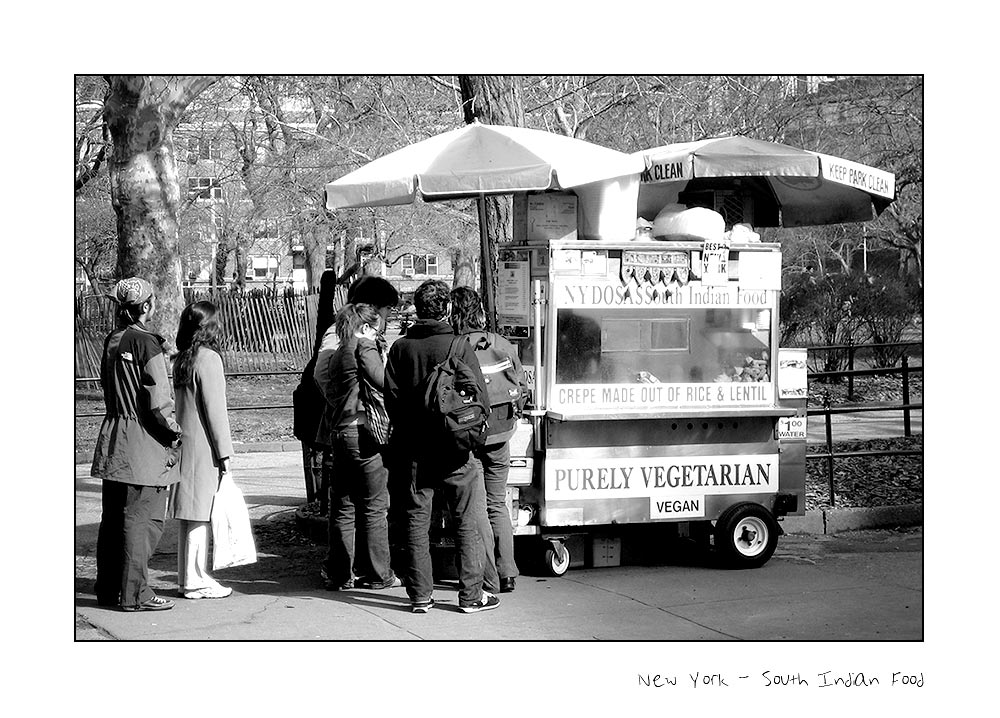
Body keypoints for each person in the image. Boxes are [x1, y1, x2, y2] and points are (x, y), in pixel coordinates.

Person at [384, 279, 499, 614]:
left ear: (417, 309)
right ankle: (470, 596)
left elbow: (391, 397)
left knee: (416, 522)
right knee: (465, 521)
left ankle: (420, 595)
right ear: (446, 308)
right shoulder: (458, 345)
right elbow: (479, 395)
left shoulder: (400, 348)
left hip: (413, 450)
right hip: (455, 448)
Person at [92, 277, 182, 612]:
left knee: (114, 519)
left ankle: (110, 589)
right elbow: (158, 402)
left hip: (115, 438)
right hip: (144, 443)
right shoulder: (147, 344)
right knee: (142, 522)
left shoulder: (112, 340)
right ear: (146, 306)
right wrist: (175, 433)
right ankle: (136, 595)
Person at [319, 303, 400, 591]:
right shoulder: (362, 348)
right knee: (375, 507)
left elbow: (325, 383)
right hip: (362, 434)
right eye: (377, 329)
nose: (379, 335)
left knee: (343, 506)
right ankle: (380, 574)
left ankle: (341, 574)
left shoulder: (338, 351)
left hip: (340, 433)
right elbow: (383, 382)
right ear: (365, 327)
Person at [451, 286, 527, 593]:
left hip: (470, 436)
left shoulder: (455, 347)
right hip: (501, 433)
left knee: (477, 507)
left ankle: (487, 575)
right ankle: (508, 571)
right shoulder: (501, 343)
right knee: (498, 503)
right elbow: (520, 385)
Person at [169, 301, 235, 600]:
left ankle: (188, 578)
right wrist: (225, 454)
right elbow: (215, 411)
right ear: (209, 326)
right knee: (201, 515)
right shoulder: (209, 359)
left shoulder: (183, 358)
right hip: (205, 446)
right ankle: (196, 580)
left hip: (185, 442)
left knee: (189, 515)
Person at [293, 270, 339, 514]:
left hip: (312, 402)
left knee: (319, 456)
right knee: (321, 456)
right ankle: (320, 498)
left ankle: (321, 498)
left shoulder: (326, 337)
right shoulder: (332, 335)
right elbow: (324, 311)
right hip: (316, 404)